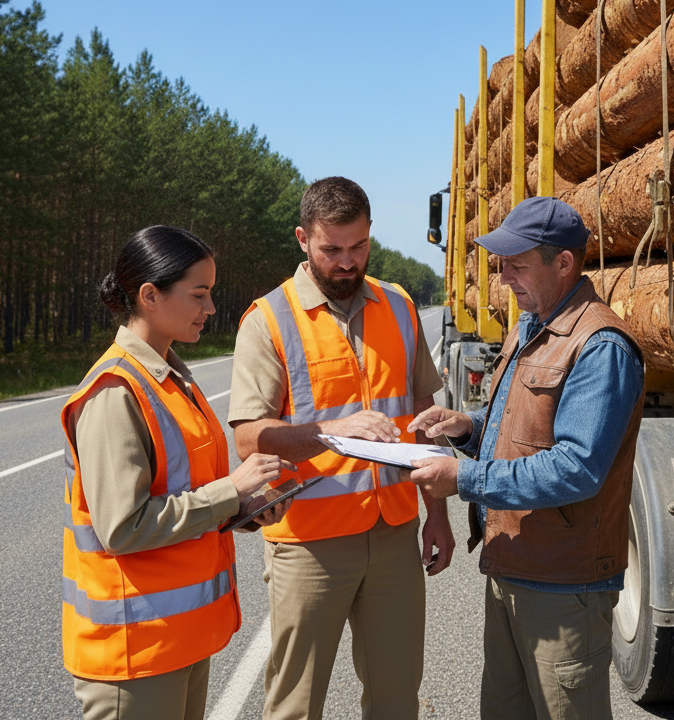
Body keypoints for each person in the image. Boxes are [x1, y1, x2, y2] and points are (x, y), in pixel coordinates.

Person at [407, 196, 646, 720]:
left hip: (564, 585)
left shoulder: (600, 345)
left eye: (517, 265)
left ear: (563, 263)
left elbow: (577, 468)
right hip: (514, 568)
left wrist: (464, 477)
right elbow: (526, 431)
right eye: (501, 265)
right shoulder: (530, 324)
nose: (504, 278)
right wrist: (468, 430)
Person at [228, 176, 455, 720]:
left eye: (359, 247)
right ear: (303, 239)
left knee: (396, 699)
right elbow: (246, 438)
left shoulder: (398, 305)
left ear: (371, 236)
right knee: (295, 706)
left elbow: (423, 419)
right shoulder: (268, 319)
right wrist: (331, 434)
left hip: (395, 534)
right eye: (332, 249)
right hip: (310, 545)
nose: (347, 262)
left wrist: (438, 517)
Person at [62, 225, 293, 720]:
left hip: (176, 641)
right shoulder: (115, 392)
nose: (210, 308)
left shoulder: (171, 379)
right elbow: (123, 527)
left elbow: (186, 494)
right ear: (149, 295)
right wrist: (232, 489)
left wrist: (245, 506)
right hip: (134, 655)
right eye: (199, 294)